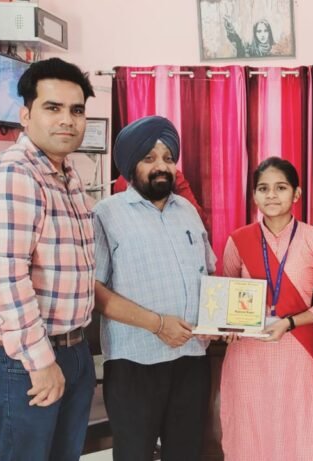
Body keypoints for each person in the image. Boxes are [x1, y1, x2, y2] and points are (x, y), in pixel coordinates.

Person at [0, 57, 97, 461]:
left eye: (76, 110)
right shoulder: (14, 175)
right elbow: (6, 278)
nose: (67, 120)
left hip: (71, 348)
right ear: (25, 114)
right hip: (25, 360)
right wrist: (41, 361)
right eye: (52, 108)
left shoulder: (66, 175)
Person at [92, 115, 216, 461]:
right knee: (134, 454)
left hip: (191, 358)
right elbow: (95, 290)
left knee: (186, 452)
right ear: (131, 166)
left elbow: (208, 272)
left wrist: (227, 319)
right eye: (149, 159)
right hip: (136, 362)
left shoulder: (187, 211)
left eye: (168, 158)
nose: (161, 166)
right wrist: (157, 324)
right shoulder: (106, 214)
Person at [219, 157, 313, 461]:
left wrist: (291, 322)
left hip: (297, 354)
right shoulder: (238, 240)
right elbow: (225, 293)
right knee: (248, 435)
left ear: (296, 194)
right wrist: (226, 324)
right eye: (263, 188)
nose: (271, 195)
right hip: (247, 357)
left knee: (296, 434)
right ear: (254, 195)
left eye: (280, 187)